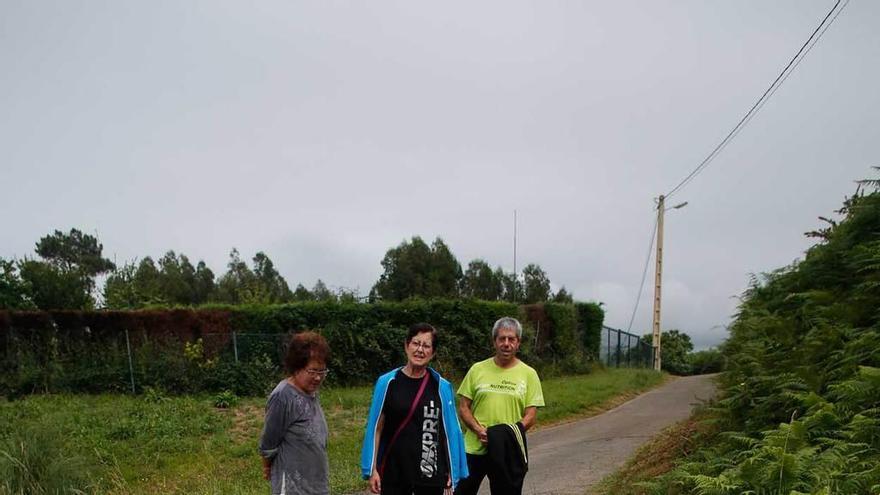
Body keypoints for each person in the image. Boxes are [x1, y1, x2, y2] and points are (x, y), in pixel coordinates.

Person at [361, 323, 469, 495]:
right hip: (394, 471)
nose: (420, 350)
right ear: (406, 345)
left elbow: (448, 432)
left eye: (426, 346)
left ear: (433, 353)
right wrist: (373, 469)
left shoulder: (441, 386)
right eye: (415, 343)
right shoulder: (387, 382)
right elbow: (377, 428)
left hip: (429, 472)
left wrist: (451, 470)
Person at [454, 317, 544, 495]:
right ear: (494, 341)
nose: (506, 343)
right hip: (474, 447)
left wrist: (506, 435)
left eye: (511, 339)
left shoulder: (529, 374)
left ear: (518, 343)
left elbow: (531, 415)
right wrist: (478, 430)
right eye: (502, 338)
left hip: (507, 449)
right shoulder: (477, 369)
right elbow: (463, 407)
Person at [259, 331, 331, 495]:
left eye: (322, 371)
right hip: (293, 487)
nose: (318, 378)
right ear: (296, 367)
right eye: (312, 371)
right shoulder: (282, 396)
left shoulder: (310, 393)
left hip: (316, 484)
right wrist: (267, 466)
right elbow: (268, 442)